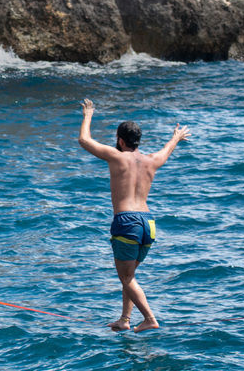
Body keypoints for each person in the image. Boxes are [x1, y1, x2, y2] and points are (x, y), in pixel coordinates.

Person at [78, 98, 189, 333]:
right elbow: (167, 150)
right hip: (148, 223)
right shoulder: (151, 161)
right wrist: (176, 137)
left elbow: (84, 140)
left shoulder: (117, 157)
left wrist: (88, 114)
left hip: (127, 221)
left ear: (120, 140)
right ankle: (125, 319)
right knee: (129, 275)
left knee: (126, 278)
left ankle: (149, 318)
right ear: (138, 141)